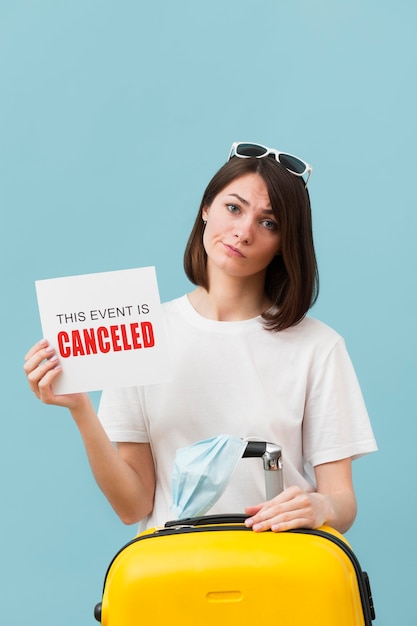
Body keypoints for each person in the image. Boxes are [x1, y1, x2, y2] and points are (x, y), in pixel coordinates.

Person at [24, 141, 377, 535]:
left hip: (281, 573)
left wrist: (319, 505)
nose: (243, 232)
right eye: (233, 207)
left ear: (283, 244)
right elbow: (133, 506)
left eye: (269, 222)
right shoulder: (144, 331)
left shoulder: (318, 347)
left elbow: (343, 502)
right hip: (175, 574)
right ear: (206, 207)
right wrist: (80, 409)